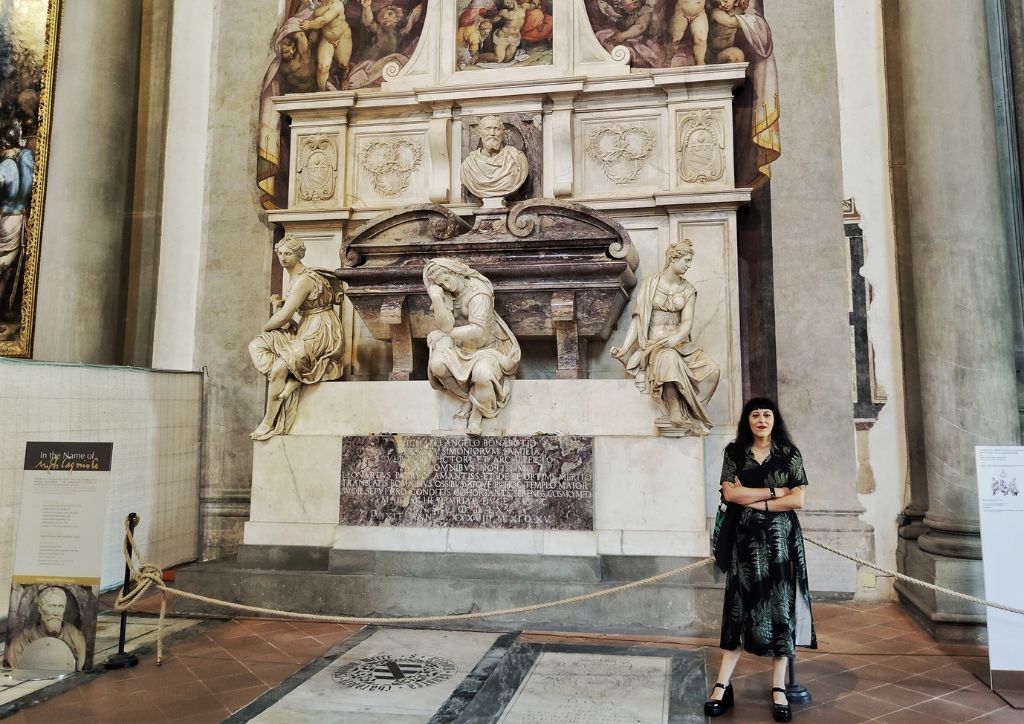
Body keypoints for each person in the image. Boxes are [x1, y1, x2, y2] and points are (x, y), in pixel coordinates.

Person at [705, 397, 817, 722]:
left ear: (774, 419)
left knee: (780, 607)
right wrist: (772, 493)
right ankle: (722, 686)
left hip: (781, 543)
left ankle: (778, 687)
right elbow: (730, 494)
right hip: (744, 544)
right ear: (747, 421)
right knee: (737, 608)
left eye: (766, 414)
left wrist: (753, 498)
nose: (761, 419)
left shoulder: (789, 454)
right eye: (755, 415)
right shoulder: (734, 453)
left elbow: (799, 499)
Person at [610, 238, 719, 435]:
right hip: (654, 346)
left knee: (713, 371)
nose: (689, 265)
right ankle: (674, 406)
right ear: (673, 259)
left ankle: (691, 411)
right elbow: (638, 319)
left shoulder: (688, 290)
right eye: (686, 260)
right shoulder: (651, 283)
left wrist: (677, 338)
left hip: (679, 343)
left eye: (690, 261)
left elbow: (687, 322)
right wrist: (625, 348)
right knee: (668, 358)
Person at [248, 235, 344, 440]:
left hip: (321, 330)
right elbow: (287, 318)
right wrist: (279, 309)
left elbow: (284, 316)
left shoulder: (304, 279)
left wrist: (266, 326)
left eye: (288, 254)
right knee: (257, 345)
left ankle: (268, 421)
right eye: (280, 253)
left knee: (278, 367)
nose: (283, 258)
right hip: (306, 326)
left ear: (298, 255)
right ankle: (293, 377)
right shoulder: (295, 276)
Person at [423, 258, 521, 436]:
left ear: (455, 272)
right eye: (441, 284)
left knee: (481, 374)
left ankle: (476, 415)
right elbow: (445, 325)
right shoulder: (446, 292)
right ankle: (470, 398)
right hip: (459, 349)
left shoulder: (478, 293)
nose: (447, 285)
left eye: (446, 279)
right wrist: (436, 298)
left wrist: (446, 335)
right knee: (436, 365)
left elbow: (478, 331)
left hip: (488, 350)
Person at [6, 587, 87, 671]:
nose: (56, 612)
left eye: (60, 606)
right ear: (40, 609)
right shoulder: (20, 643)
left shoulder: (76, 638)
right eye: (52, 606)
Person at [460, 115, 529, 201]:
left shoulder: (517, 159)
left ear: (502, 133)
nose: (492, 133)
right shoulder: (469, 165)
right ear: (480, 133)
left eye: (496, 129)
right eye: (488, 129)